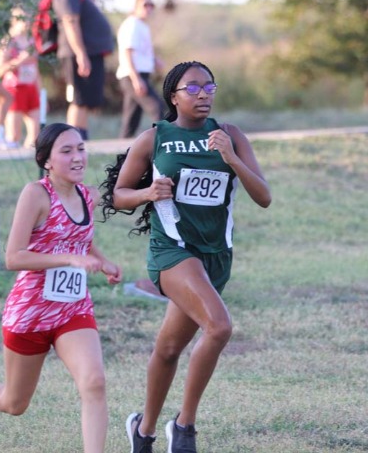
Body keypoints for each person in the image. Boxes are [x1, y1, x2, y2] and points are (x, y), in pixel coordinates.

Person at [100, 61, 271, 453]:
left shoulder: (229, 135)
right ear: (173, 96)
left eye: (209, 86)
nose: (203, 94)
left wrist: (232, 158)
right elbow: (118, 195)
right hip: (173, 251)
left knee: (168, 349)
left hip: (216, 257)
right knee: (219, 327)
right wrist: (147, 193)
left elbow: (264, 197)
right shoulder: (154, 138)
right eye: (193, 88)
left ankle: (143, 430)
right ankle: (184, 426)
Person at [0, 122, 122, 453]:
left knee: (94, 382)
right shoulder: (36, 194)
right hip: (30, 312)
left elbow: (76, 237)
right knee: (14, 403)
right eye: (66, 151)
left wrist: (103, 261)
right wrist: (69, 259)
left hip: (72, 309)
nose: (77, 157)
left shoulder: (87, 195)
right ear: (47, 161)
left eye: (81, 149)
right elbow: (13, 257)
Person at [53, 0, 114, 141]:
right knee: (78, 99)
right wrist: (81, 54)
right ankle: (73, 140)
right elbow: (70, 21)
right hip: (77, 53)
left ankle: (81, 139)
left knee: (85, 100)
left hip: (88, 53)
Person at [116, 0, 165, 139]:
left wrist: (154, 60)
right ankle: (162, 141)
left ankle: (124, 145)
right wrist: (136, 79)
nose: (149, 8)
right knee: (157, 107)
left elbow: (141, 51)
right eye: (145, 5)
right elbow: (127, 52)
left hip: (140, 74)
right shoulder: (132, 25)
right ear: (135, 7)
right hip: (132, 74)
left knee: (132, 116)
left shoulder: (142, 26)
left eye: (151, 5)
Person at [0, 6, 42, 148]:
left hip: (31, 87)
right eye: (24, 19)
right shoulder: (9, 41)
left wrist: (39, 91)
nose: (28, 22)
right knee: (14, 136)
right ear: (15, 20)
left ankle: (32, 158)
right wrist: (18, 61)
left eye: (29, 19)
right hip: (15, 89)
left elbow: (36, 68)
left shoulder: (31, 41)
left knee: (36, 136)